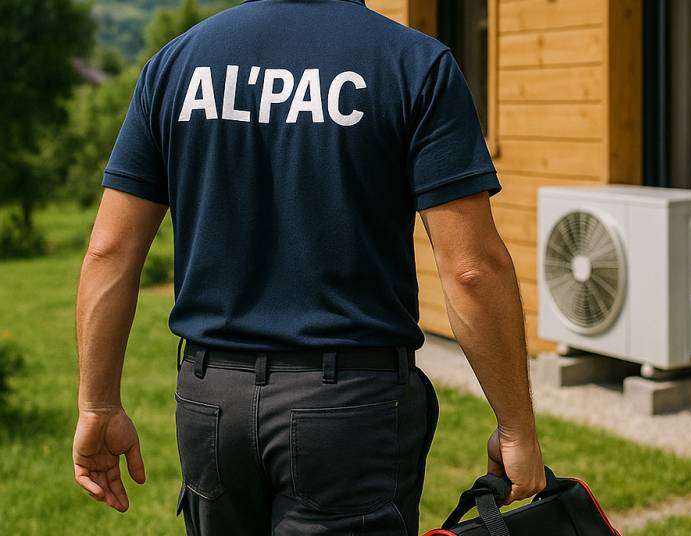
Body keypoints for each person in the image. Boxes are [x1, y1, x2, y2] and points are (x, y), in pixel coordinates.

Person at [71, 0, 546, 534]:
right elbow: (470, 270)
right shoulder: (412, 64)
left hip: (213, 403)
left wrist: (97, 405)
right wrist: (516, 429)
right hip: (348, 411)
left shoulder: (177, 64)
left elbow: (109, 253)